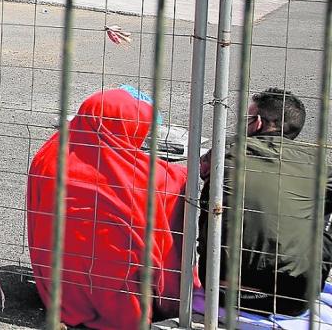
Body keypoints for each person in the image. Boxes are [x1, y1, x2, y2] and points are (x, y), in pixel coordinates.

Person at [27, 87, 189, 329]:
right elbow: (171, 182)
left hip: (62, 290)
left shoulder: (49, 156)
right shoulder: (136, 176)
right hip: (121, 298)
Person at [198, 88, 332, 317]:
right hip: (293, 298)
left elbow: (202, 170)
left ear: (257, 123)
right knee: (319, 216)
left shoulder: (227, 149)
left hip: (218, 286)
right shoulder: (320, 167)